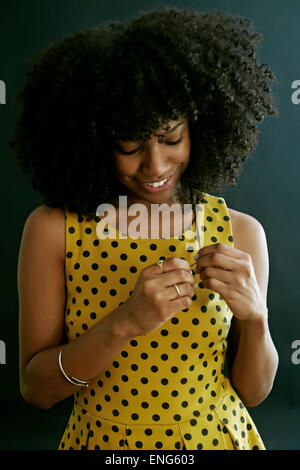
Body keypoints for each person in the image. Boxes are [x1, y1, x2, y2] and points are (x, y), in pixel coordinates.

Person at [11, 7, 279, 450]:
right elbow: (36, 390)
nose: (155, 166)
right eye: (129, 147)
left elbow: (254, 392)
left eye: (172, 138)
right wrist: (125, 323)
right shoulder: (53, 230)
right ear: (94, 141)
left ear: (200, 129)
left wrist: (255, 320)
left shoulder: (240, 232)